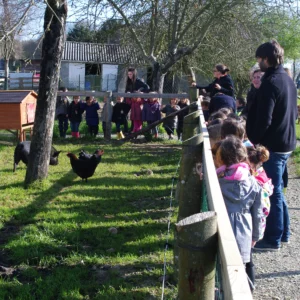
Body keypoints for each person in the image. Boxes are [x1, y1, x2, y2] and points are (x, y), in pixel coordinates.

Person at [246, 40, 298, 251]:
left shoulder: (271, 82)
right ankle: (283, 232)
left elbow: (264, 118)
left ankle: (273, 238)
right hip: (286, 141)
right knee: (277, 191)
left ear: (266, 59)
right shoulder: (287, 79)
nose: (258, 64)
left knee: (271, 191)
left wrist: (255, 140)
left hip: (273, 145)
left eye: (260, 60)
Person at [215, 136, 264, 292]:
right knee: (238, 269)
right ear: (243, 156)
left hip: (221, 228)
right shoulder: (254, 183)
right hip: (244, 229)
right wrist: (256, 235)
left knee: (220, 268)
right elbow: (257, 213)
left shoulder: (217, 182)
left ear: (220, 158)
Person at [246, 145, 273, 289]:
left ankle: (249, 286)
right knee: (248, 256)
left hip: (251, 224)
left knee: (248, 258)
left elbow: (260, 210)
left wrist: (256, 234)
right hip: (254, 223)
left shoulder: (256, 182)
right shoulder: (261, 175)